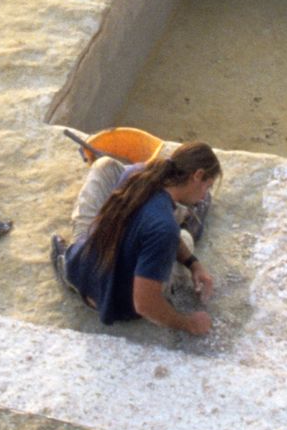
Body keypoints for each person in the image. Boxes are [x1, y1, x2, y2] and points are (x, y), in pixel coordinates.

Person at [52, 141, 221, 336]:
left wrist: (193, 263)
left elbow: (159, 228)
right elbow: (145, 304)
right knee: (184, 237)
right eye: (206, 187)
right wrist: (189, 323)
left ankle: (68, 263)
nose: (203, 196)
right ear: (197, 175)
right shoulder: (164, 229)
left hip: (82, 266)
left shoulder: (140, 174)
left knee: (105, 166)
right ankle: (186, 223)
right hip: (113, 300)